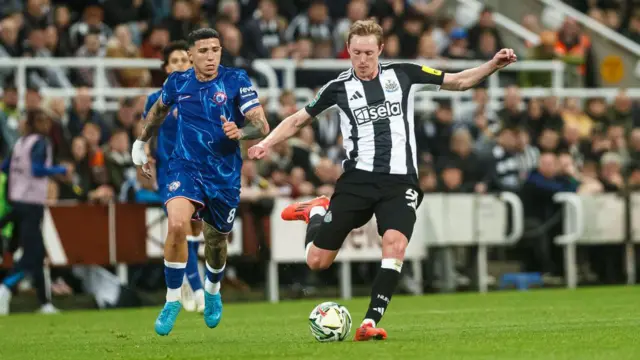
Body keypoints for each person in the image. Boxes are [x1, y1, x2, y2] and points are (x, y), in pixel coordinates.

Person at [248, 19, 516, 341]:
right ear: (348, 50)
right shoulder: (338, 88)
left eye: (368, 53)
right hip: (357, 181)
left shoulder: (403, 74)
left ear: (381, 50)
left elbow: (458, 82)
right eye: (356, 52)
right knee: (317, 261)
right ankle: (317, 211)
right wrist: (265, 143)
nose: (362, 60)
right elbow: (297, 120)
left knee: (395, 243)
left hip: (400, 182)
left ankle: (370, 322)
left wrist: (493, 65)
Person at [132, 28, 269, 336]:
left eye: (215, 50)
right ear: (191, 55)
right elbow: (157, 112)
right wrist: (141, 143)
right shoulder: (178, 82)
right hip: (185, 167)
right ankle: (171, 301)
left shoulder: (236, 80)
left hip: (223, 175)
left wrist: (241, 132)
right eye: (204, 51)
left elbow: (261, 124)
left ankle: (212, 289)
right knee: (178, 225)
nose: (210, 56)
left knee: (216, 242)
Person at [142, 41, 205, 313]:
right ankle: (198, 289)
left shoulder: (203, 95)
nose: (180, 64)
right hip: (171, 172)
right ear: (166, 68)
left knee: (195, 231)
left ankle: (188, 282)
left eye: (184, 60)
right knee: (179, 226)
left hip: (202, 171)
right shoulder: (155, 99)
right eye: (175, 61)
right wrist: (144, 154)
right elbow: (146, 132)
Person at [0, 109, 71, 315]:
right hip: (32, 203)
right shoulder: (41, 143)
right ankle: (5, 286)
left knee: (37, 254)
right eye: (42, 120)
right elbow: (37, 170)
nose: (46, 125)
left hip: (18, 202)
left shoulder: (20, 143)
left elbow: (6, 168)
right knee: (32, 254)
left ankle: (44, 303)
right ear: (35, 123)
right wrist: (61, 170)